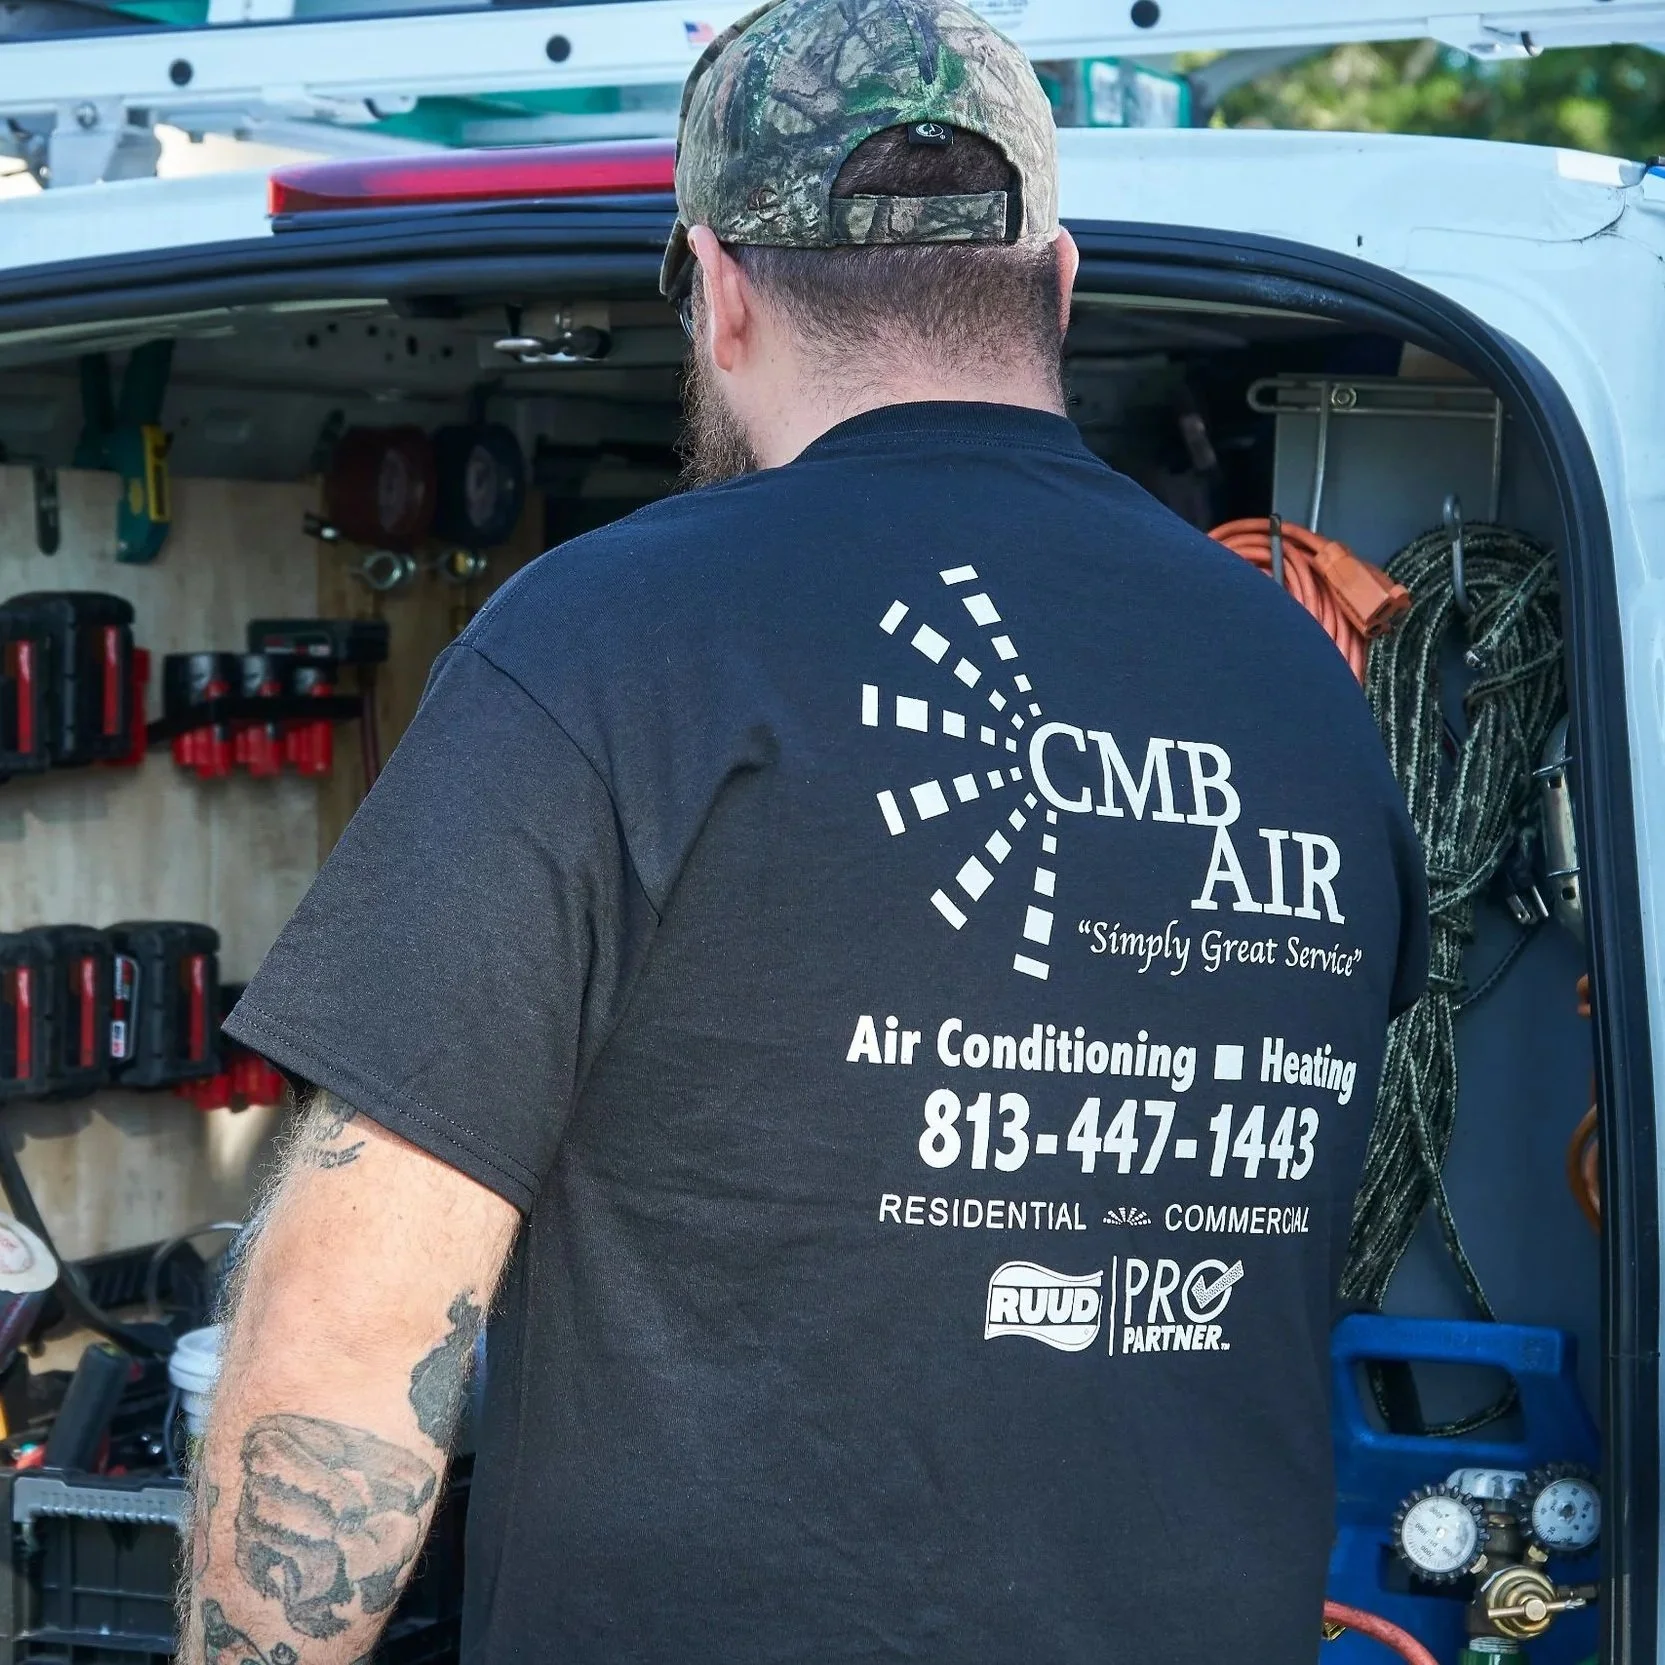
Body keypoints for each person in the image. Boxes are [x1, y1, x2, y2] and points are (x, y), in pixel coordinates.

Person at [180, 0, 1429, 1658]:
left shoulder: (612, 644)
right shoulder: (1309, 688)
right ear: (1055, 284)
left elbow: (349, 1344)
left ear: (717, 288)